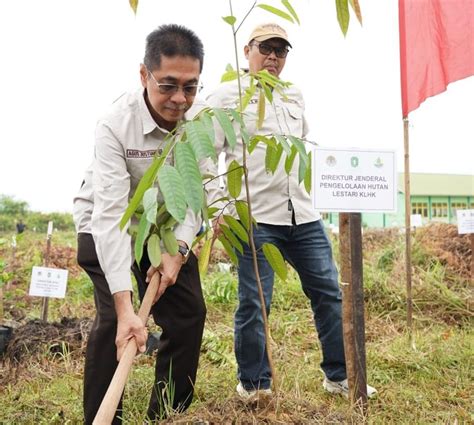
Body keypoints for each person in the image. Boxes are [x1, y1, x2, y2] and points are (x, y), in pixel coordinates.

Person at [206, 23, 377, 400]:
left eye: (281, 51)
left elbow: (301, 148)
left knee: (330, 292)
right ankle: (254, 384)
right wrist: (219, 209)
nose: (273, 57)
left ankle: (340, 375)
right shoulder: (225, 97)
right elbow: (205, 154)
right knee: (255, 301)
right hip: (254, 217)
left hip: (303, 214)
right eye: (266, 48)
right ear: (248, 49)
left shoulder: (293, 95)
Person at [73, 24, 207, 424]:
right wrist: (126, 303)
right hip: (103, 224)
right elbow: (110, 216)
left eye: (190, 86)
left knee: (188, 314)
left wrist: (178, 252)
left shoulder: (200, 123)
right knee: (116, 320)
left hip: (165, 231)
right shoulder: (115, 124)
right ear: (144, 75)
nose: (179, 99)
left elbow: (196, 197)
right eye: (168, 85)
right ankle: (101, 417)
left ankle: (166, 415)